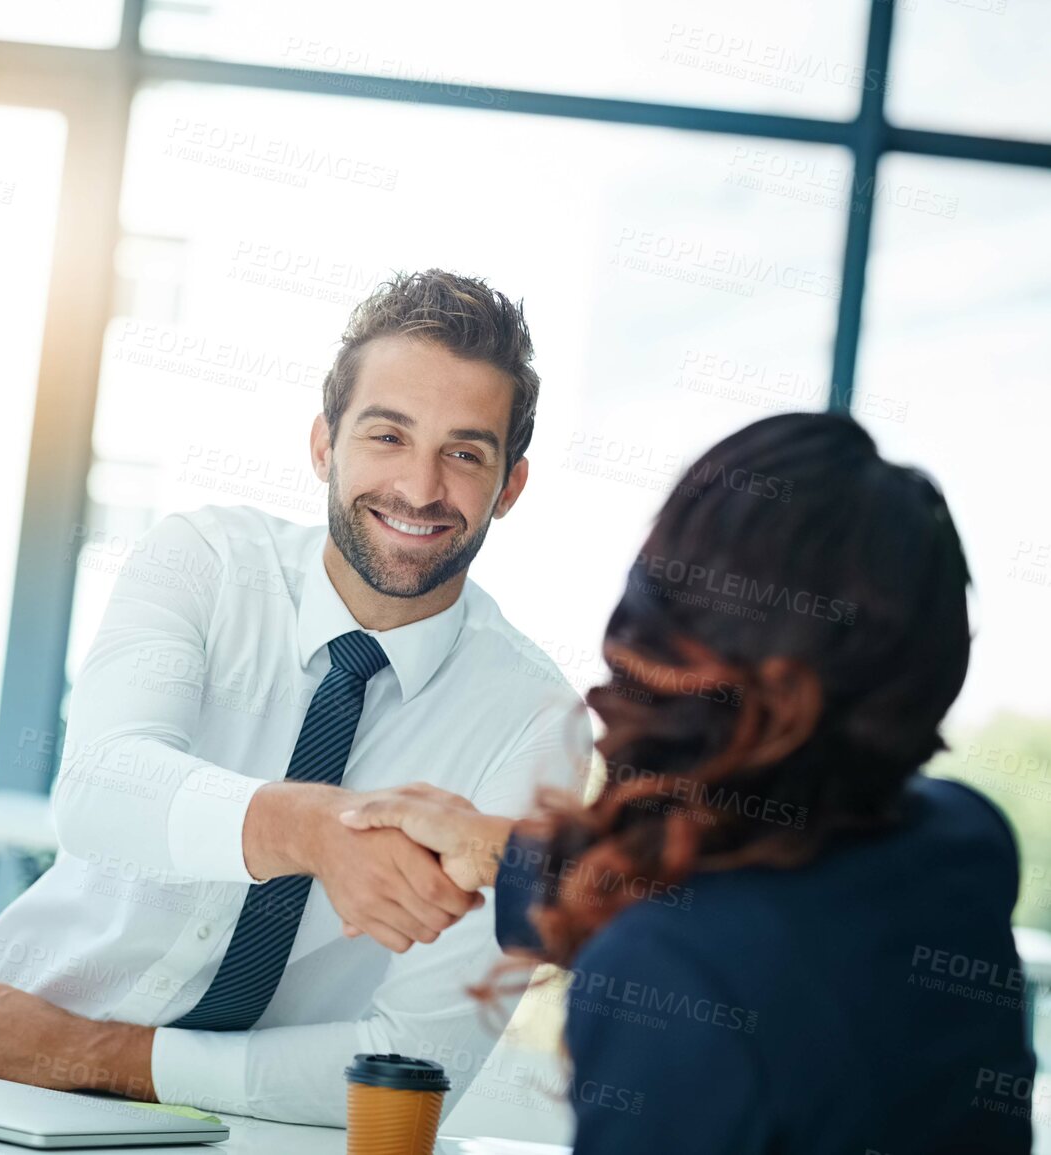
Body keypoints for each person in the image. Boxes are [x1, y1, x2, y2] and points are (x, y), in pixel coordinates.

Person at [0, 270, 592, 1125]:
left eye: (464, 453)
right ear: (324, 444)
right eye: (387, 436)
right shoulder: (201, 562)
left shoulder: (536, 721)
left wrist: (98, 1055)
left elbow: (418, 1060)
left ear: (510, 485)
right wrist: (313, 829)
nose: (420, 488)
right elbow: (100, 788)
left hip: (256, 1132)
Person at [342, 412, 1038, 1152]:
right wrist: (494, 850)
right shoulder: (966, 841)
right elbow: (773, 904)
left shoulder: (670, 969)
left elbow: (715, 940)